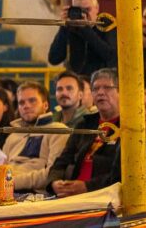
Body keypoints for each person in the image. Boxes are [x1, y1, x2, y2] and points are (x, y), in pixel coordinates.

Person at [46, 68, 122, 197]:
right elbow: (61, 162)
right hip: (73, 194)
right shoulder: (85, 124)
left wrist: (87, 187)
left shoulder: (129, 128)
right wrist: (54, 182)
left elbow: (122, 175)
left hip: (105, 196)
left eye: (107, 88)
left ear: (121, 92)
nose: (101, 93)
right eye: (96, 89)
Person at [0, 81, 69, 193]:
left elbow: (52, 174)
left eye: (32, 101)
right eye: (21, 103)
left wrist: (12, 182)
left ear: (45, 105)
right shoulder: (12, 136)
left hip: (36, 195)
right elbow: (1, 171)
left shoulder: (59, 131)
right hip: (6, 191)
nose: (26, 106)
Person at [47, 0, 118, 77]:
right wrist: (64, 27)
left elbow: (110, 56)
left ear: (97, 8)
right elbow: (54, 59)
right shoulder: (71, 28)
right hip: (77, 82)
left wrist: (86, 29)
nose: (84, 14)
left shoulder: (106, 24)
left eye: (87, 9)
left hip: (101, 81)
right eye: (79, 10)